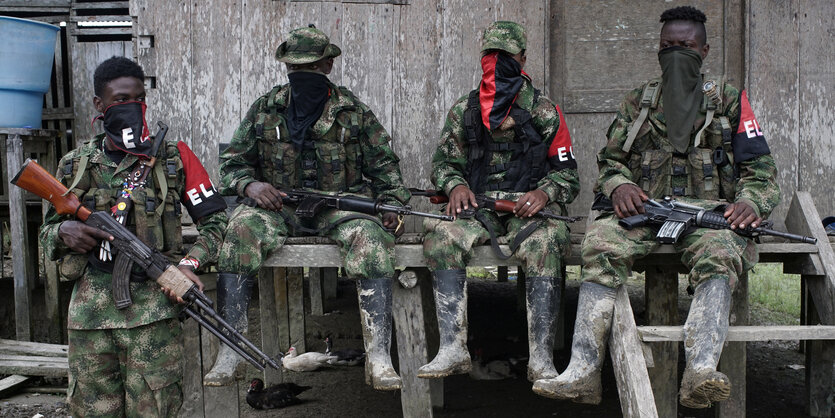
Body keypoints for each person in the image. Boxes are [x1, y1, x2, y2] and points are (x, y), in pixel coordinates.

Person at [532, 6, 780, 409]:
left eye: (685, 46)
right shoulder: (639, 101)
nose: (675, 53)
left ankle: (699, 371)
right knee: (600, 242)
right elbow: (609, 161)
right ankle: (582, 371)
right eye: (667, 47)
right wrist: (620, 185)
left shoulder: (729, 101)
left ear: (704, 50)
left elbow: (761, 168)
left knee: (722, 251)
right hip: (647, 212)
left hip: (707, 216)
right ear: (657, 50)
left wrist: (751, 201)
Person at [208, 26, 410, 391]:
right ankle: (230, 352)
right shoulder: (266, 109)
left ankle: (378, 356)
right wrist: (250, 185)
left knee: (372, 239)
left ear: (328, 65)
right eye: (294, 68)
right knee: (237, 233)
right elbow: (233, 164)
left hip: (336, 207)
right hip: (278, 207)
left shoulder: (352, 112)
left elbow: (385, 167)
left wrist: (391, 207)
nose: (302, 75)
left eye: (311, 67)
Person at [39, 56, 228, 416]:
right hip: (89, 322)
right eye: (120, 100)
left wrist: (190, 263)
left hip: (154, 319)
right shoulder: (74, 165)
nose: (131, 107)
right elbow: (46, 232)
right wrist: (64, 231)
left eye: (138, 99)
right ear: (99, 105)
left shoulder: (175, 159)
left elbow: (218, 224)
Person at [419, 21, 580, 384]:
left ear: (522, 58)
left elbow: (569, 174)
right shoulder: (466, 109)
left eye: (505, 56)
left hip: (528, 211)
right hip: (477, 207)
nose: (497, 63)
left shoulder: (544, 111)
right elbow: (443, 164)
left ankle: (540, 358)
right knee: (440, 235)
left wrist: (544, 193)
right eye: (490, 56)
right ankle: (452, 349)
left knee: (546, 241)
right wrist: (455, 185)